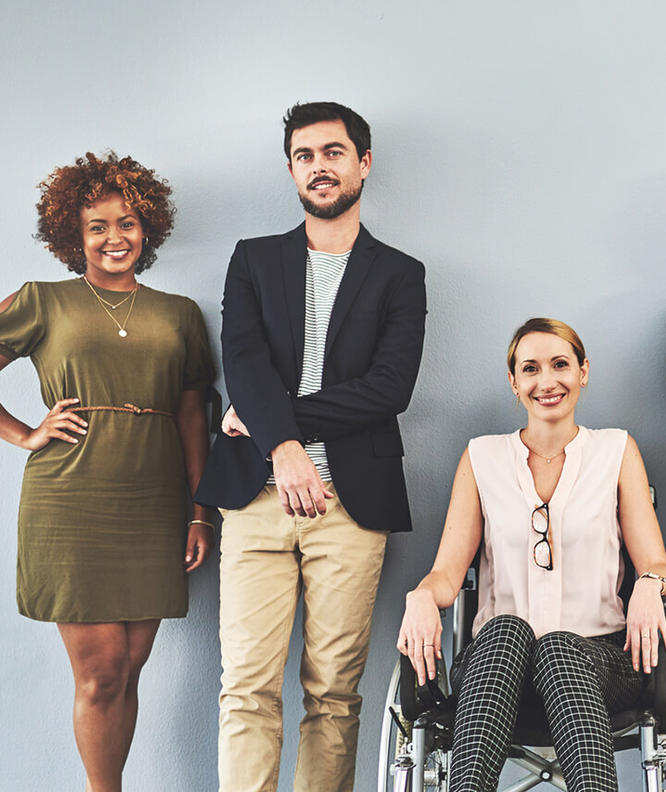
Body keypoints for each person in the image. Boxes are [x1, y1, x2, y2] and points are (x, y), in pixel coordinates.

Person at [0, 152, 214, 792]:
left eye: (126, 222)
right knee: (99, 672)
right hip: (71, 498)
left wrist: (201, 510)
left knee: (131, 665)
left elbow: (191, 414)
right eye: (97, 226)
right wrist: (24, 433)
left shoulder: (180, 313)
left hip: (155, 499)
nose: (114, 237)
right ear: (74, 236)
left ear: (146, 227)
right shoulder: (43, 300)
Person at [194, 101, 427, 792]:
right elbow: (243, 360)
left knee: (334, 695)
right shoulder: (254, 260)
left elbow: (388, 390)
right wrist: (284, 451)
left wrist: (274, 423)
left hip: (351, 508)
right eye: (304, 155)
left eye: (333, 152)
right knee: (246, 688)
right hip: (255, 500)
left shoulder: (400, 273)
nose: (319, 167)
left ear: (363, 162)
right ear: (291, 170)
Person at [397, 317, 666, 792]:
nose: (547, 381)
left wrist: (649, 585)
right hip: (495, 670)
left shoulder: (616, 450)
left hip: (598, 662)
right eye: (530, 369)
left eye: (560, 364)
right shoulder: (482, 457)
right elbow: (446, 571)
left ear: (583, 372)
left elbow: (657, 566)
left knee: (559, 647)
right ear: (514, 383)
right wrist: (422, 596)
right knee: (507, 630)